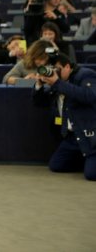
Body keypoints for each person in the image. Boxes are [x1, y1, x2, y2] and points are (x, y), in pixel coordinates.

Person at [33, 53, 96, 181]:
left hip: (90, 135)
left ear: (67, 67)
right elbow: (40, 103)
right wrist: (39, 84)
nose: (54, 73)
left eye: (57, 69)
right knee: (56, 165)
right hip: (72, 137)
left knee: (91, 175)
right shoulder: (57, 83)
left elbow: (89, 96)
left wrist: (57, 82)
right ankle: (88, 161)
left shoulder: (85, 75)